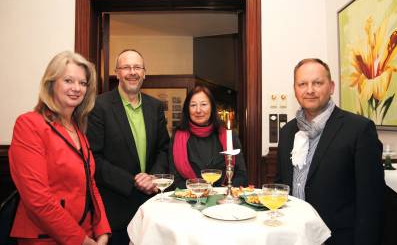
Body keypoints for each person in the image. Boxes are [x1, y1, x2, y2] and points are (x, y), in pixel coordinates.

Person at [276, 58, 384, 245]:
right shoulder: (287, 132)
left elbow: (371, 201)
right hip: (295, 236)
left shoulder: (359, 129)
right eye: (302, 84)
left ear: (332, 87)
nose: (309, 90)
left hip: (339, 239)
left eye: (317, 83)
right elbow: (282, 185)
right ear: (295, 89)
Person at [8, 51, 110, 245]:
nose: (77, 88)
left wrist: (103, 229)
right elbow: (38, 199)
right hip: (46, 238)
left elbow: (91, 185)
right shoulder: (29, 124)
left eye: (83, 83)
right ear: (51, 83)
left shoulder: (78, 129)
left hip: (87, 234)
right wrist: (82, 240)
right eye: (69, 80)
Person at [87, 49, 170, 244]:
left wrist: (153, 177)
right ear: (117, 73)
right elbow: (94, 158)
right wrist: (133, 181)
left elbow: (164, 148)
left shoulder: (155, 106)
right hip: (116, 208)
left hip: (151, 207)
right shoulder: (98, 106)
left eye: (137, 67)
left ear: (144, 73)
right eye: (126, 67)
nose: (132, 72)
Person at [169, 85, 248, 189]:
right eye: (193, 105)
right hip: (190, 200)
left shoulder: (229, 135)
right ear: (187, 109)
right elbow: (175, 178)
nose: (198, 110)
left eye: (204, 104)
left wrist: (224, 192)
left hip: (223, 199)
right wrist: (197, 191)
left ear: (212, 107)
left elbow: (241, 174)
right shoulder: (177, 137)